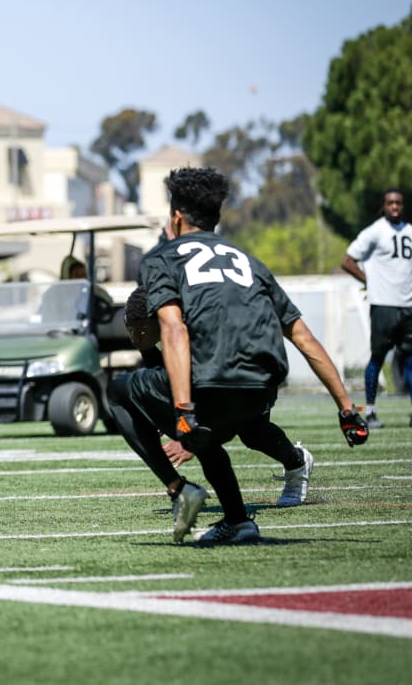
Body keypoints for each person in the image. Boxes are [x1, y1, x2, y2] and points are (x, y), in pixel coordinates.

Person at [125, 167, 368, 544]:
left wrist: (183, 410)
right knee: (223, 432)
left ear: (175, 217)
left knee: (119, 392)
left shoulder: (162, 258)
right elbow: (302, 336)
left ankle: (179, 490)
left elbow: (174, 330)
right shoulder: (249, 261)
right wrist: (347, 409)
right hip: (262, 385)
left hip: (210, 385)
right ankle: (238, 522)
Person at [109, 286, 317, 542]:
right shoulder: (161, 323)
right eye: (130, 329)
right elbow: (163, 377)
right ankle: (234, 519)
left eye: (139, 330)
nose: (134, 338)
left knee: (251, 431)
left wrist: (191, 434)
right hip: (218, 379)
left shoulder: (199, 329)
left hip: (252, 370)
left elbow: (218, 397)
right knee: (208, 434)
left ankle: (297, 463)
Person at [341, 188, 412, 429]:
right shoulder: (374, 231)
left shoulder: (410, 231)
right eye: (391, 203)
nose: (395, 207)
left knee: (410, 359)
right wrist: (369, 282)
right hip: (383, 306)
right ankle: (370, 411)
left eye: (399, 203)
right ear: (384, 206)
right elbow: (348, 260)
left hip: (408, 306)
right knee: (378, 357)